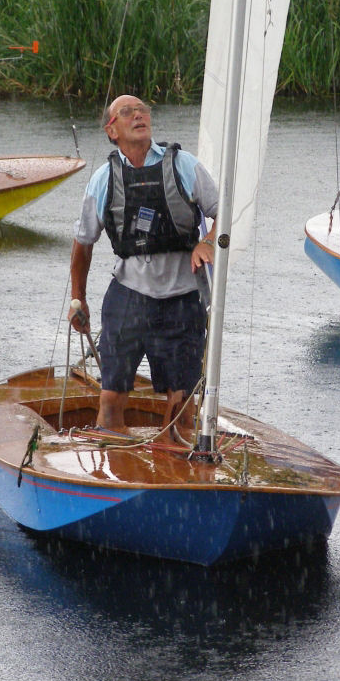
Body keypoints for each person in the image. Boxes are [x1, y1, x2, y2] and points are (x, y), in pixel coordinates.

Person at [70, 94, 218, 443]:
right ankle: (114, 471)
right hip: (129, 298)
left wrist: (207, 241)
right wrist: (78, 300)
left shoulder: (185, 166)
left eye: (143, 110)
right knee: (110, 406)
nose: (139, 115)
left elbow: (227, 213)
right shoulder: (103, 179)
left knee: (181, 415)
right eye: (127, 112)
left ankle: (175, 471)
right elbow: (83, 243)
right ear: (112, 130)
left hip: (182, 300)